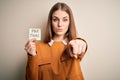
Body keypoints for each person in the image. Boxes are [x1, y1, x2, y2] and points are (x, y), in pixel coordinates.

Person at [25, 2, 88, 80]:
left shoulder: (73, 46)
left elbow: (79, 47)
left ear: (70, 22)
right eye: (55, 20)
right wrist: (31, 56)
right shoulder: (37, 48)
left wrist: (82, 42)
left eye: (65, 20)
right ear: (50, 22)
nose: (60, 24)